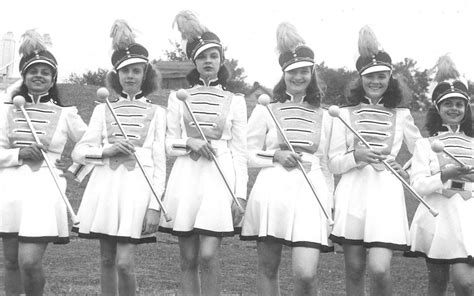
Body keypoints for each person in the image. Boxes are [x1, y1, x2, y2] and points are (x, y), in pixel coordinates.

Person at [71, 20, 166, 296]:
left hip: (137, 193)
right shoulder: (104, 110)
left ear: (145, 75)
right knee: (106, 260)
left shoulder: (159, 113)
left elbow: (159, 164)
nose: (131, 76)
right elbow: (79, 152)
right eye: (125, 71)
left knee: (125, 264)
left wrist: (154, 205)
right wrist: (105, 151)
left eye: (136, 71)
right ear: (117, 75)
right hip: (105, 190)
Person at [240, 23, 333, 296]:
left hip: (310, 193)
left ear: (312, 73)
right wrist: (275, 155)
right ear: (284, 74)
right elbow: (246, 153)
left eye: (304, 71)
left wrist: (330, 203)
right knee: (268, 268)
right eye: (293, 71)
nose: (298, 76)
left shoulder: (326, 114)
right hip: (272, 192)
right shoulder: (266, 108)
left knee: (305, 274)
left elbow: (326, 164)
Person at [158, 10, 248, 296]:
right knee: (188, 259)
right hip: (187, 180)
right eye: (202, 57)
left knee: (208, 255)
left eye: (213, 56)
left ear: (221, 60)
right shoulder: (178, 97)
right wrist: (189, 143)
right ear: (194, 63)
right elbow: (168, 144)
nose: (208, 61)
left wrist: (240, 194)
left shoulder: (236, 101)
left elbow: (240, 151)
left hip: (220, 181)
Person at [328, 26, 421, 296]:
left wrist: (404, 169)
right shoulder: (343, 114)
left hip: (386, 196)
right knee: (355, 269)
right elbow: (334, 162)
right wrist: (356, 157)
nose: (375, 81)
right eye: (370, 77)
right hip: (353, 194)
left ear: (390, 78)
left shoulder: (402, 115)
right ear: (361, 79)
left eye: (381, 76)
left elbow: (423, 152)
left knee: (380, 269)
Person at [0, 30, 89, 295]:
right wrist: (18, 155)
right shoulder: (6, 110)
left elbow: (89, 144)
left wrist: (75, 167)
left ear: (53, 80)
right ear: (24, 77)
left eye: (45, 72)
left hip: (45, 191)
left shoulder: (66, 114)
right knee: (11, 262)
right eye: (33, 71)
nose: (39, 75)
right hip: (9, 192)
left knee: (29, 261)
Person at [407, 55, 474, 296]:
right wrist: (444, 176)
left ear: (466, 108)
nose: (454, 108)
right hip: (437, 218)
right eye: (448, 104)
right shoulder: (425, 145)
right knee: (437, 283)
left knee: (465, 283)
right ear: (438, 108)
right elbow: (417, 186)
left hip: (468, 219)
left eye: (459, 104)